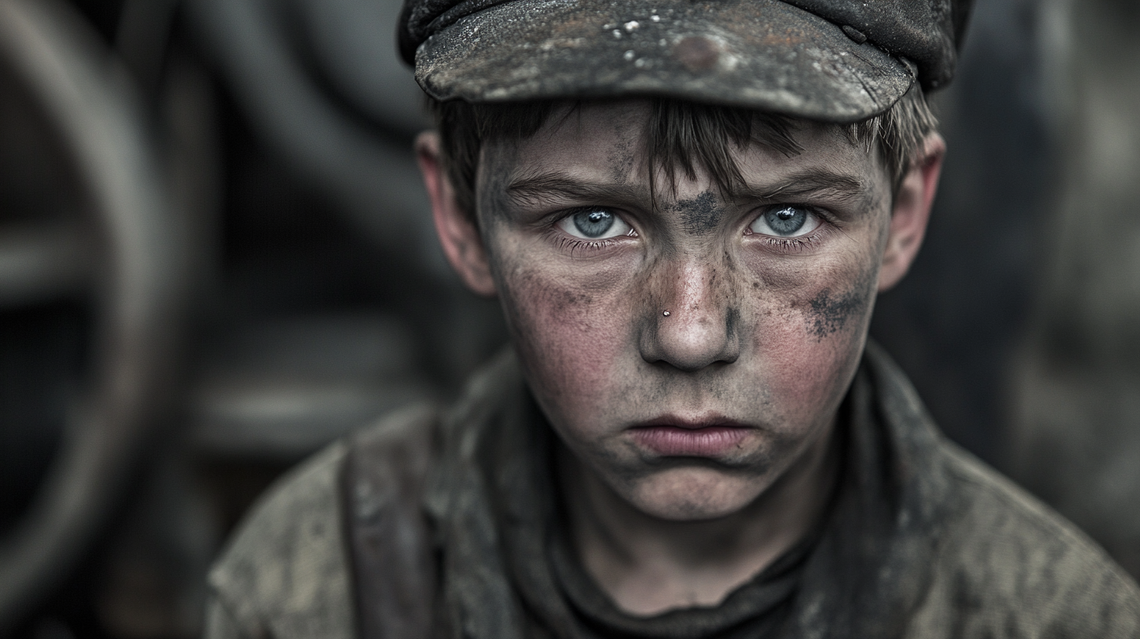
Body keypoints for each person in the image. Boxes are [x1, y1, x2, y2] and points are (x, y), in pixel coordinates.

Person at [203, 0, 1140, 637]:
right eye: (592, 220)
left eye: (786, 218)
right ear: (459, 216)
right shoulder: (321, 589)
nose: (690, 334)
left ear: (901, 214)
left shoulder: (1051, 616)